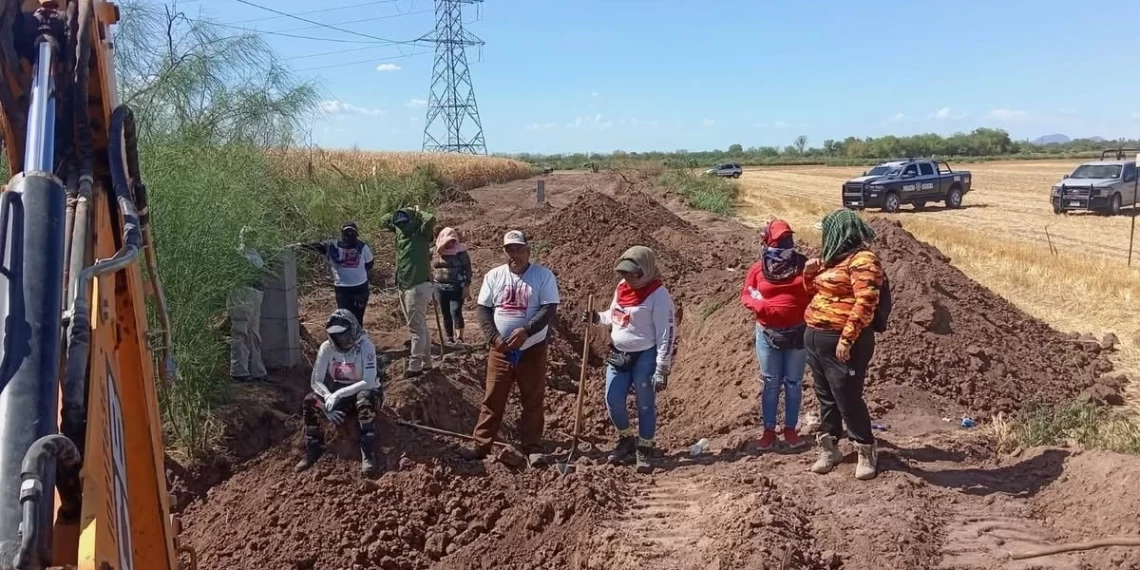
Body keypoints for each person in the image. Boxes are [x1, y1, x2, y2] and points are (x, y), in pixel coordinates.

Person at [458, 230, 560, 468]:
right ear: (504, 252)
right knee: (493, 398)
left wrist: (527, 330)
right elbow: (483, 309)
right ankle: (481, 444)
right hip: (501, 350)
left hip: (531, 350)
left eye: (519, 249)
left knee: (532, 400)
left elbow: (549, 309)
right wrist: (493, 337)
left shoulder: (542, 276)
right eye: (509, 249)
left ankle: (533, 447)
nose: (514, 254)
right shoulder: (494, 276)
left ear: (528, 250)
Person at [802, 209, 884, 481]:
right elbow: (818, 293)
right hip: (815, 337)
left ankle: (865, 448)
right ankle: (829, 447)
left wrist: (847, 339)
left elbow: (866, 302)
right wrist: (808, 275)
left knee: (847, 397)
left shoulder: (864, 260)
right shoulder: (832, 260)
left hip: (844, 341)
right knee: (826, 396)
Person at [586, 246, 676, 474]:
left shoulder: (658, 295)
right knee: (612, 398)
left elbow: (666, 332)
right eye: (624, 274)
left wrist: (662, 367)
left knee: (645, 403)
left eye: (631, 274)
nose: (626, 278)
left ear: (644, 270)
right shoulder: (622, 288)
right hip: (619, 353)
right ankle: (626, 438)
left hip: (645, 354)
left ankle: (644, 447)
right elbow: (614, 315)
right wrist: (598, 317)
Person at [739, 219, 814, 451]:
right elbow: (746, 296)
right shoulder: (758, 269)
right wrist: (763, 308)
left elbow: (816, 290)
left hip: (798, 333)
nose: (786, 243)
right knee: (771, 383)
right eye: (780, 239)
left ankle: (790, 429)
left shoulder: (803, 266)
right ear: (768, 241)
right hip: (768, 333)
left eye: (788, 238)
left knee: (793, 384)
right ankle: (769, 431)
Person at [295, 309, 384, 476]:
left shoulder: (365, 346)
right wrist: (327, 400)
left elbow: (370, 381)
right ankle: (313, 447)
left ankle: (368, 451)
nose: (342, 340)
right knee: (310, 401)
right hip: (339, 391)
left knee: (364, 398)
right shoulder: (327, 348)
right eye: (337, 336)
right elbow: (316, 380)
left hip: (368, 392)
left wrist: (338, 395)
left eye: (344, 334)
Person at [380, 206, 436, 378]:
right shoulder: (400, 229)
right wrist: (399, 210)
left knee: (416, 328)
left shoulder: (420, 231)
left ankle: (415, 365)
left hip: (417, 286)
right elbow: (383, 220)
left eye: (404, 221)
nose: (401, 225)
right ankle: (426, 362)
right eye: (399, 222)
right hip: (404, 285)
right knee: (419, 326)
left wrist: (418, 211)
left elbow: (431, 218)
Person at [294, 222, 375, 326]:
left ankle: (355, 339)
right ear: (342, 235)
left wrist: (299, 246)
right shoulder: (335, 245)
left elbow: (369, 264)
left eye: (351, 234)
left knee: (354, 318)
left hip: (356, 288)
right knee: (348, 318)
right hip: (348, 288)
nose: (349, 236)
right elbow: (369, 265)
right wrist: (300, 246)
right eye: (347, 234)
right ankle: (349, 339)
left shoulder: (337, 246)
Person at [228, 226, 269, 383]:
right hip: (241, 292)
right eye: (249, 236)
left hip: (255, 294)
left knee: (253, 333)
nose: (251, 239)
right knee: (241, 331)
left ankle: (257, 370)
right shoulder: (239, 254)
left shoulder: (254, 254)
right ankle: (239, 371)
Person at [431, 226, 473, 345]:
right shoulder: (434, 251)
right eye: (448, 241)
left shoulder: (461, 252)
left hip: (456, 287)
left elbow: (468, 269)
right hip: (439, 287)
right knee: (445, 313)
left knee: (455, 311)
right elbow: (424, 262)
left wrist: (466, 285)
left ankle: (460, 338)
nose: (450, 244)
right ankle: (449, 338)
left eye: (453, 241)